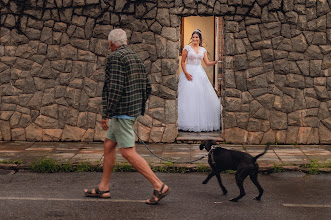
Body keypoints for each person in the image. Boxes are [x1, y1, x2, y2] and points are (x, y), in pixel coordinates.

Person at [84, 28, 170, 205]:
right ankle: (104, 187)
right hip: (128, 111)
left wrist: (105, 114)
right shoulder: (135, 57)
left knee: (126, 151)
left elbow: (113, 89)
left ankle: (158, 185)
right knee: (109, 144)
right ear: (125, 41)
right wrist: (137, 107)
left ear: (111, 44)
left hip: (121, 113)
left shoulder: (115, 58)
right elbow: (147, 87)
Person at [178, 29, 221, 132]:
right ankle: (186, 122)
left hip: (200, 73)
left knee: (200, 96)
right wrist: (186, 73)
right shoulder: (187, 48)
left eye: (196, 37)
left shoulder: (203, 50)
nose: (195, 39)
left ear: (199, 39)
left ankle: (200, 122)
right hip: (189, 72)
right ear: (191, 38)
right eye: (193, 37)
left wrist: (215, 62)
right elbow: (183, 62)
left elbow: (206, 63)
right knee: (188, 96)